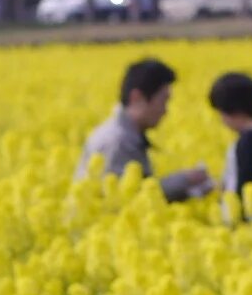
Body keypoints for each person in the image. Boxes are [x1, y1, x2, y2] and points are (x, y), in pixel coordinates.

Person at [75, 58, 213, 200]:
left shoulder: (126, 135)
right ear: (137, 98)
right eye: (163, 101)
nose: (165, 111)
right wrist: (184, 180)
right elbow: (125, 201)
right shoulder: (117, 142)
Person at [207, 71, 252, 219]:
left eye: (221, 113)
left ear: (234, 110)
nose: (222, 120)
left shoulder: (249, 141)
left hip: (245, 218)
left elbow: (245, 185)